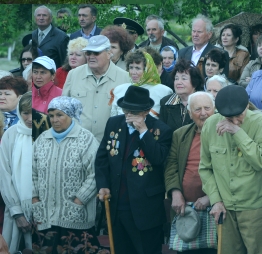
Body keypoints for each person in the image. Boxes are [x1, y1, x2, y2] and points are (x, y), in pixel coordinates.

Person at [199, 85, 262, 254]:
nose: (234, 121)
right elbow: (205, 168)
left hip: (257, 208)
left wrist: (238, 132)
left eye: (238, 116)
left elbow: (261, 161)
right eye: (229, 118)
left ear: (247, 106)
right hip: (225, 208)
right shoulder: (210, 125)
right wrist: (216, 200)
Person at [95, 86, 173, 254]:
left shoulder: (161, 130)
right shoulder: (114, 123)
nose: (129, 114)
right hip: (117, 204)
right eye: (126, 110)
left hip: (145, 209)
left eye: (135, 111)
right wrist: (103, 184)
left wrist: (143, 131)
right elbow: (102, 158)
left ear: (146, 111)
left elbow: (158, 158)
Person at [32, 96, 99, 253]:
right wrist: (35, 198)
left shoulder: (86, 139)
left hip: (75, 215)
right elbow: (32, 172)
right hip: (46, 215)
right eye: (51, 115)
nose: (54, 120)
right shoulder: (42, 139)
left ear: (71, 115)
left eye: (60, 115)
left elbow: (95, 174)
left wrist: (79, 201)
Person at [164, 92, 216, 254]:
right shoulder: (181, 134)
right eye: (197, 109)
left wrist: (211, 197)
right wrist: (175, 192)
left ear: (214, 110)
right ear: (189, 113)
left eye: (207, 108)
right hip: (185, 208)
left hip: (215, 208)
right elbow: (171, 166)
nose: (203, 113)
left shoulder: (224, 134)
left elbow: (231, 171)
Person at [62, 35, 130, 142]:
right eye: (88, 53)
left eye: (96, 53)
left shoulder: (125, 78)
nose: (91, 56)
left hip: (110, 143)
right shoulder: (73, 75)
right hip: (78, 142)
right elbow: (64, 109)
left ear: (109, 54)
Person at [0, 92, 32, 253]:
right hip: (16, 207)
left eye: (33, 112)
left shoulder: (47, 134)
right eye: (25, 113)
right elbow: (4, 175)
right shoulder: (11, 135)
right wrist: (16, 212)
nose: (30, 118)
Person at [110, 49, 172, 118]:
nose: (133, 72)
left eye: (138, 68)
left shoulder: (164, 91)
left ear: (148, 69)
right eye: (131, 67)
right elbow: (114, 119)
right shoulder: (119, 90)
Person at [160, 59, 204, 131]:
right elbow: (163, 132)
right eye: (176, 79)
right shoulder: (165, 102)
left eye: (184, 78)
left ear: (195, 82)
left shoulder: (203, 102)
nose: (178, 82)